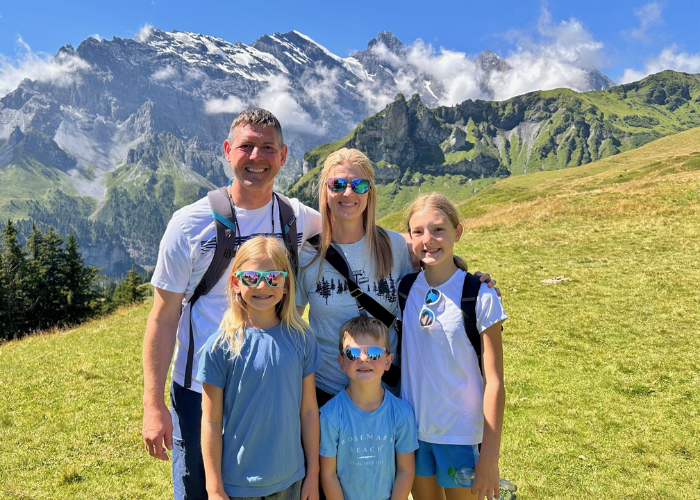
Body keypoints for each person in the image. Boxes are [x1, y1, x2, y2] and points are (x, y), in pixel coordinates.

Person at [142, 108, 322, 499]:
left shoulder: (298, 218)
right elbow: (162, 317)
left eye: (267, 148)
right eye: (246, 146)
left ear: (284, 155)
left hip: (271, 388)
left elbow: (356, 232)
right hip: (198, 392)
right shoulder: (189, 224)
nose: (256, 157)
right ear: (227, 150)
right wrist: (154, 406)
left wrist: (449, 267)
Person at [296, 148, 497, 408]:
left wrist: (477, 288)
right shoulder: (307, 256)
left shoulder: (395, 246)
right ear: (325, 190)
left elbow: (433, 282)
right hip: (328, 394)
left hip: (388, 395)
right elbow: (290, 326)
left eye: (359, 184)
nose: (348, 193)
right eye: (337, 184)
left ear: (370, 192)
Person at [400, 193, 507, 500]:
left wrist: (489, 457)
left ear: (457, 232)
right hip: (414, 435)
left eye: (438, 230)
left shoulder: (480, 295)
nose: (428, 240)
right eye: (418, 232)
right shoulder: (406, 289)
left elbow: (495, 382)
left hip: (461, 435)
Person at [198, 236, 322, 500]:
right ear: (235, 283)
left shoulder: (302, 339)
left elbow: (309, 411)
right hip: (238, 485)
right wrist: (214, 488)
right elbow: (210, 421)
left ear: (287, 284)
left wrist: (312, 475)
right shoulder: (220, 346)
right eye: (251, 278)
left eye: (274, 278)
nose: (263, 285)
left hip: (291, 480)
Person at [319, 316, 418, 500]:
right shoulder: (329, 415)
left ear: (388, 361)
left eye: (374, 353)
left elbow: (405, 470)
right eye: (353, 354)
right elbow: (328, 474)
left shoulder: (402, 413)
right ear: (341, 362)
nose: (364, 359)